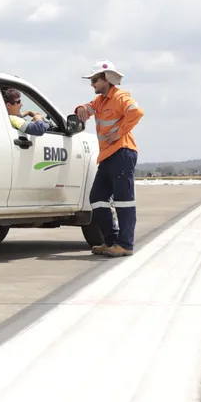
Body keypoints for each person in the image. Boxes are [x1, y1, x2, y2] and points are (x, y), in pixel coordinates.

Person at [75, 60, 144, 257]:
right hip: (107, 155)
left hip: (122, 152)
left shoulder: (120, 97)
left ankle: (125, 244)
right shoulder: (101, 101)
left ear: (106, 79)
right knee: (97, 198)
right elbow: (87, 108)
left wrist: (120, 132)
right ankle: (111, 241)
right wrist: (80, 107)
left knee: (124, 201)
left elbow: (137, 112)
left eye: (95, 80)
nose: (92, 84)